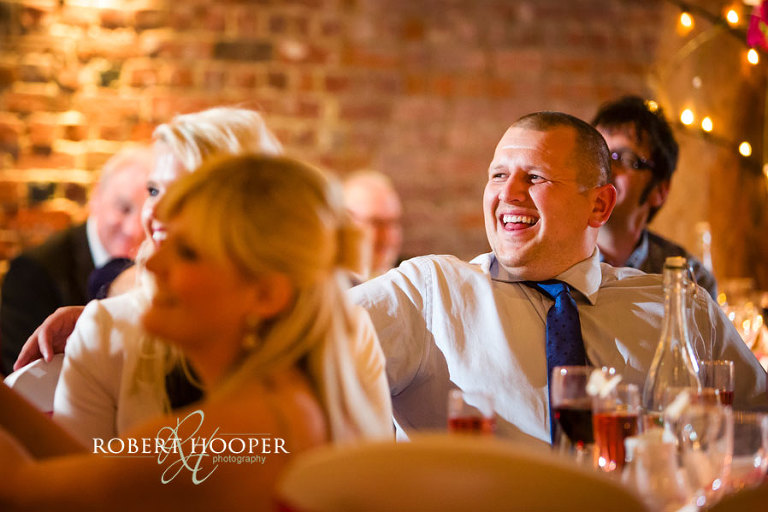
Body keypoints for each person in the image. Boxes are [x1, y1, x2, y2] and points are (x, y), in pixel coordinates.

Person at [349, 111, 767, 445]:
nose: (508, 193)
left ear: (600, 206)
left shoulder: (680, 309)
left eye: (534, 177)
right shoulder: (428, 293)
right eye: (497, 175)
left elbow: (757, 430)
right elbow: (310, 339)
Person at [0, 154, 383, 510]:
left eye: (187, 252)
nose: (152, 265)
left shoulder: (225, 437)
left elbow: (25, 490)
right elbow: (98, 478)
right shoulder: (282, 408)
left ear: (266, 295)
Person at [38, 107, 390, 446]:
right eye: (154, 190)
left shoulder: (291, 397)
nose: (155, 213)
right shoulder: (107, 327)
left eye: (187, 196)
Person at [0, 146, 153, 374]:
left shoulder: (157, 267)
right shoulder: (34, 272)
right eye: (123, 209)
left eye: (145, 214)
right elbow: (25, 378)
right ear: (96, 196)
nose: (134, 230)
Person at [591, 96, 717, 298]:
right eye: (598, 154)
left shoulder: (690, 281)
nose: (604, 168)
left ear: (659, 191)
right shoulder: (555, 264)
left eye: (624, 158)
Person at [342, 169, 403, 280]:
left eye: (393, 223)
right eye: (376, 223)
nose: (388, 236)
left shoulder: (415, 279)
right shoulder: (323, 287)